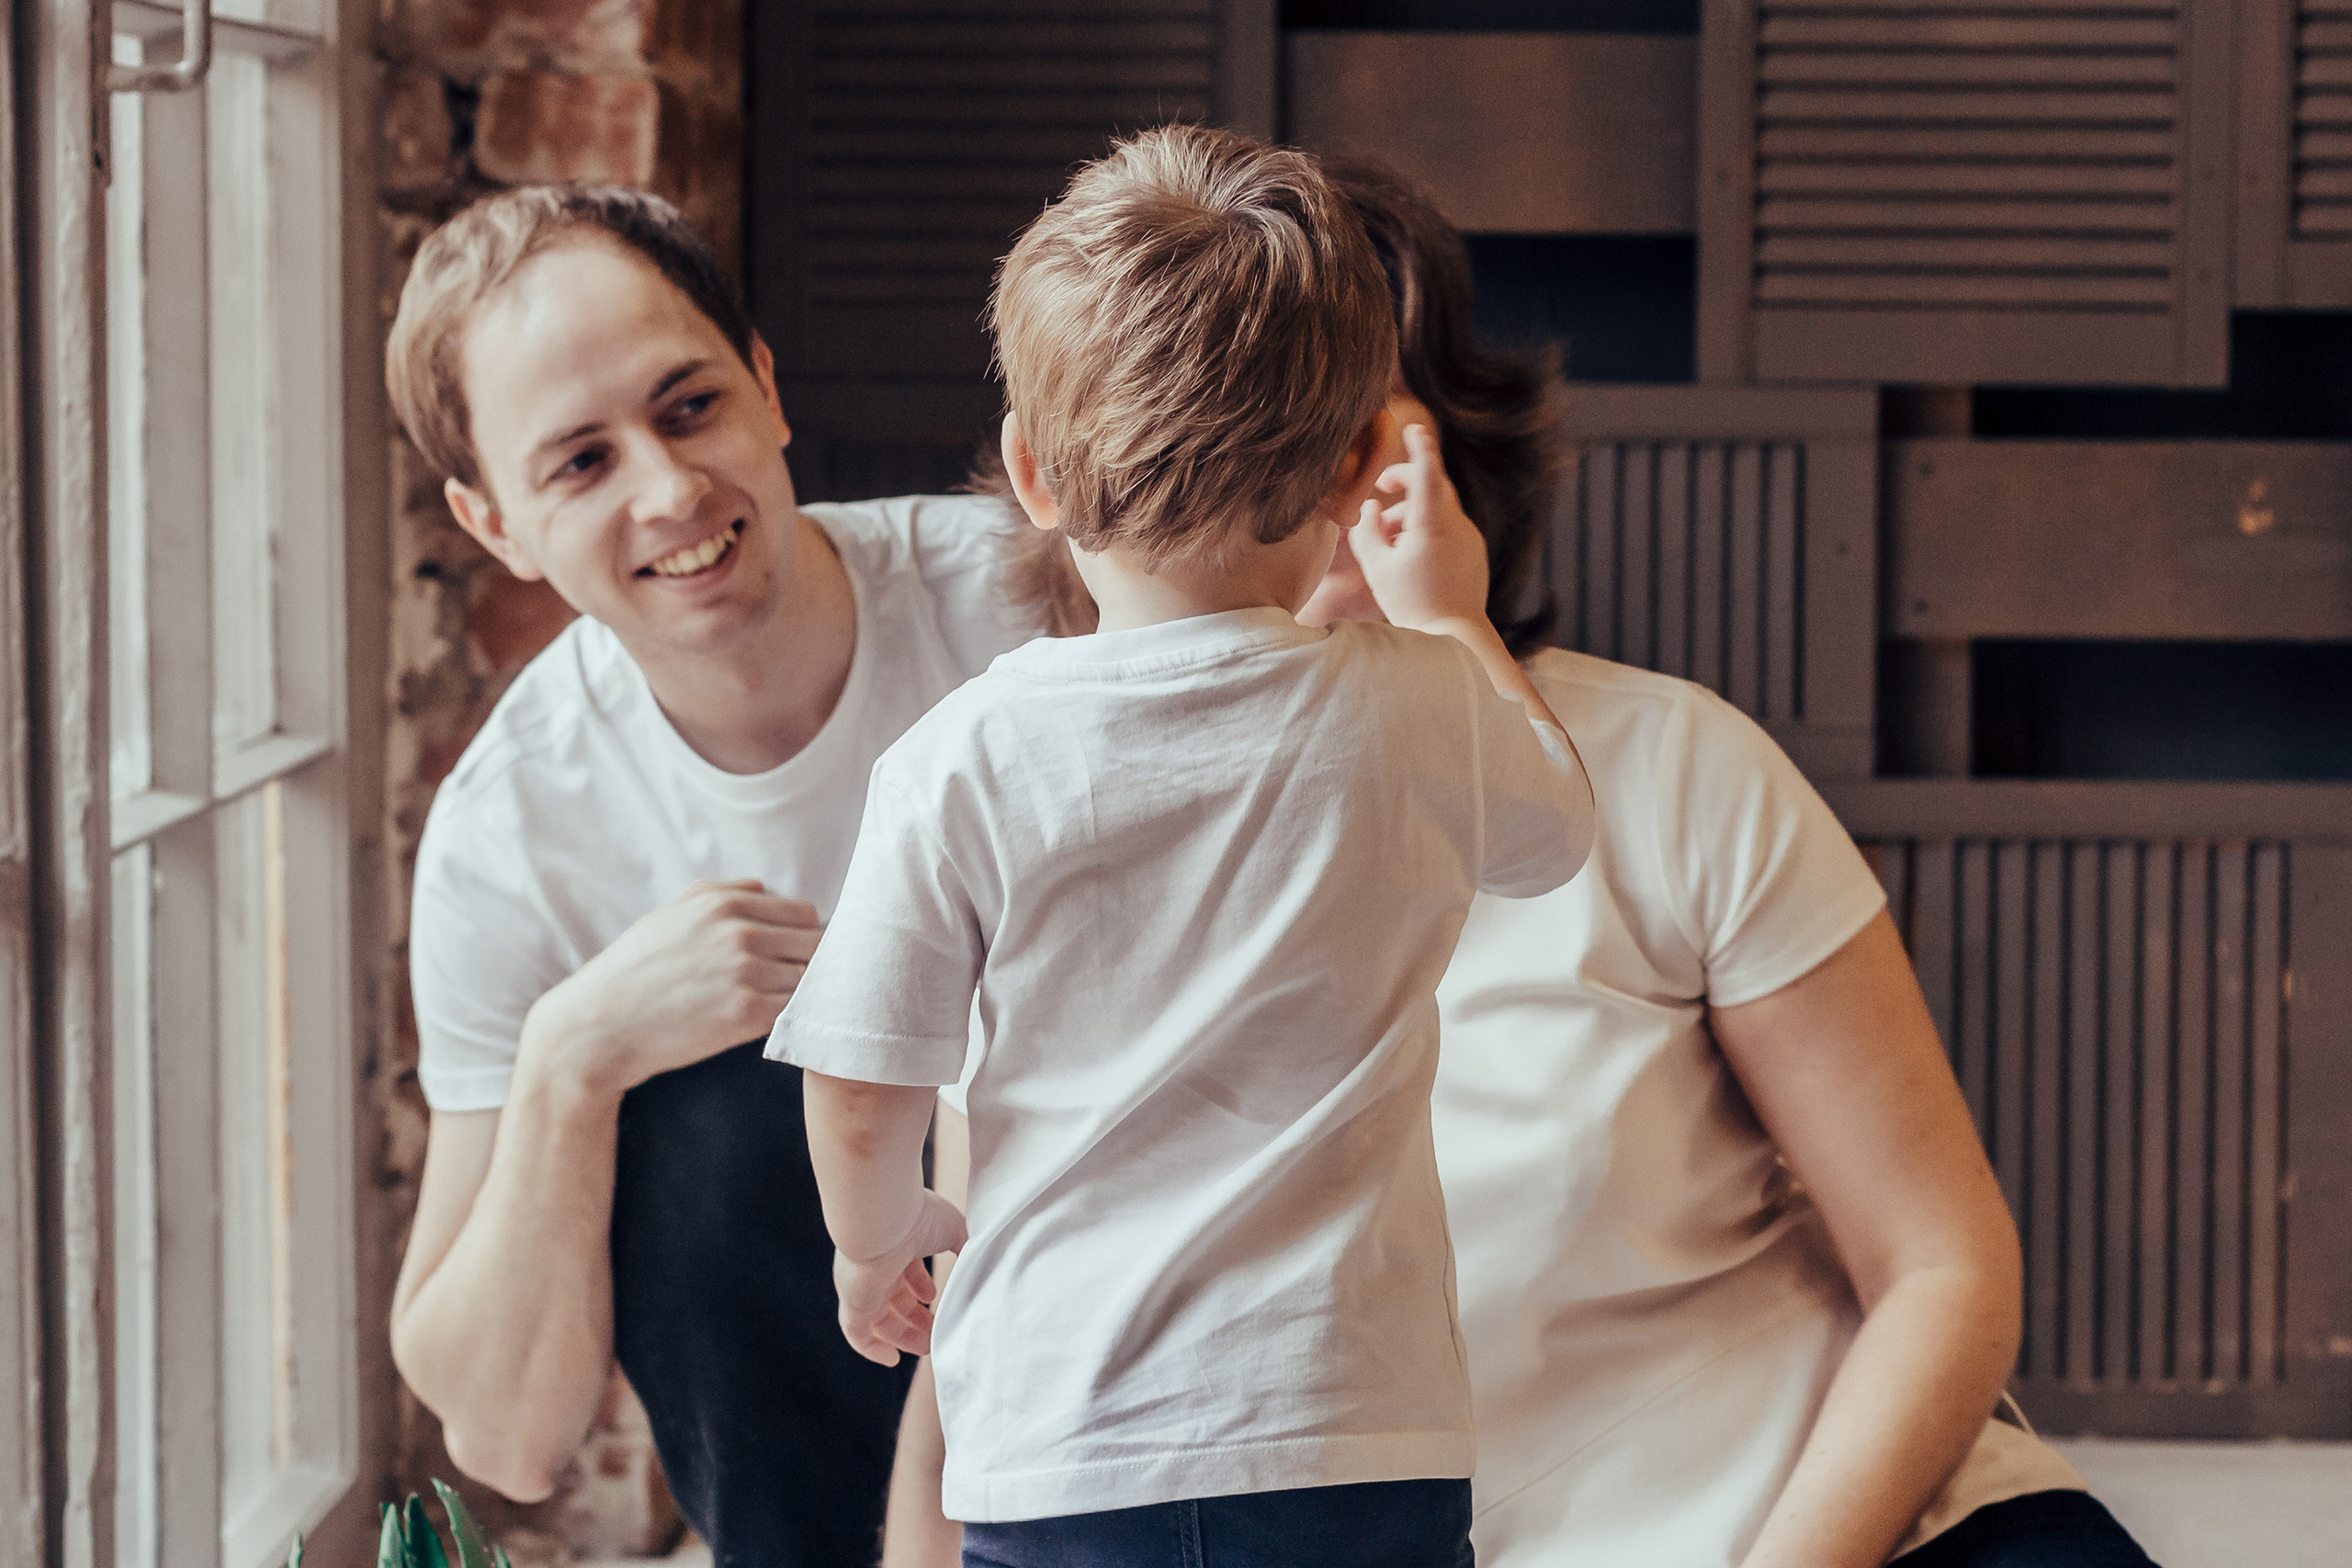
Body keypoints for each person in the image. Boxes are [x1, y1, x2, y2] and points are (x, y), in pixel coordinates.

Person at [885, 156, 2161, 1567]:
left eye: (1321, 436)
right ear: (1067, 478)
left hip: (1841, 1527)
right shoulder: (1026, 816)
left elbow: (1942, 1266)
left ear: (1418, 454)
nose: (1266, 485)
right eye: (1198, 433)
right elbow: (985, 1338)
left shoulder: (1672, 767)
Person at [765, 126, 1596, 1568]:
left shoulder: (961, 756)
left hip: (1066, 1440)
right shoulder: (1418, 706)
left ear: (1030, 470)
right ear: (1355, 472)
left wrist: (876, 1238)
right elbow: (1553, 837)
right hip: (1357, 1430)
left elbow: (860, 1071)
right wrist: (1452, 612)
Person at [382, 185, 1039, 1567]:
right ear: (491, 521)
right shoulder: (512, 834)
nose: (672, 491)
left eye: (688, 407)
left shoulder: (1025, 602)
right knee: (694, 1105)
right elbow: (502, 1440)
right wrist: (575, 1056)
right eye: (580, 463)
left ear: (766, 384)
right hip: (824, 1461)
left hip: (1113, 1313)